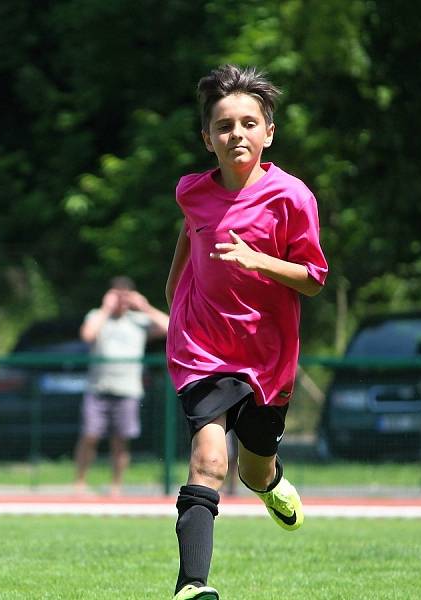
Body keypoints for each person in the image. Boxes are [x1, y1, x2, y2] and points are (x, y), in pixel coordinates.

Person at [164, 65, 328, 600]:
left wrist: (259, 260)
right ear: (207, 138)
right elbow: (190, 237)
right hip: (202, 350)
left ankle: (271, 483)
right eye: (225, 125)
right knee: (209, 460)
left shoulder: (292, 197)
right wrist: (175, 292)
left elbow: (313, 279)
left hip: (267, 358)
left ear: (269, 132)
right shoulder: (193, 192)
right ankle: (193, 586)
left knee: (253, 469)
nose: (238, 134)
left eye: (249, 123)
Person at [73, 276, 169, 496]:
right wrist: (106, 308)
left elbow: (170, 326)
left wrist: (144, 307)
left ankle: (116, 486)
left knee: (121, 441)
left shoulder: (138, 320)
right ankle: (79, 483)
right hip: (98, 388)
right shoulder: (97, 316)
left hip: (128, 390)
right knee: (89, 436)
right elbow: (87, 335)